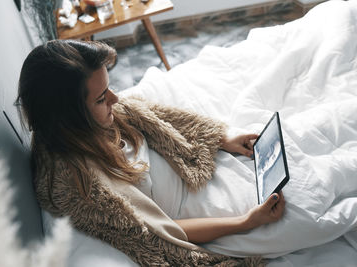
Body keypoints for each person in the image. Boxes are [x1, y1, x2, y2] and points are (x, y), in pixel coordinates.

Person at [16, 39, 285, 266]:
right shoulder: (83, 187)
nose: (115, 99)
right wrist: (247, 222)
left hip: (199, 168)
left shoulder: (100, 121)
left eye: (109, 88)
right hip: (207, 212)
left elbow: (154, 115)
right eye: (101, 98)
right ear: (69, 117)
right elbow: (161, 234)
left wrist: (221, 136)